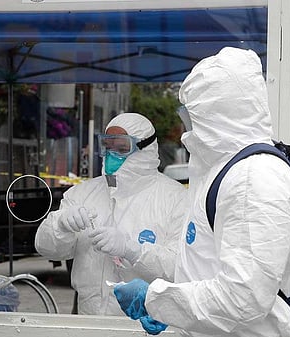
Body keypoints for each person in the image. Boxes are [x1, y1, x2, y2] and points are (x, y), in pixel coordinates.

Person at [114, 47, 290, 337]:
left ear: (215, 114)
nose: (186, 128)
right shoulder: (227, 171)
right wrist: (174, 310)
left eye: (190, 115)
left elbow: (242, 298)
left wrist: (156, 299)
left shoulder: (253, 180)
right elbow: (210, 270)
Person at [35, 112, 188, 315]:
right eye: (107, 147)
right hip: (89, 322)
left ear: (145, 149)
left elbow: (181, 268)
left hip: (147, 327)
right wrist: (60, 226)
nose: (111, 155)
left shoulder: (175, 199)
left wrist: (132, 250)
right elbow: (47, 249)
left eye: (122, 149)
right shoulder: (82, 194)